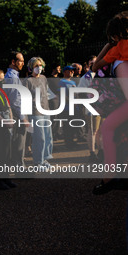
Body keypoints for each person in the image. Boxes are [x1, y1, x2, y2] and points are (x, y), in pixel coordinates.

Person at [91, 12, 128, 194]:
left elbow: (95, 66)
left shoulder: (118, 51)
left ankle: (109, 176)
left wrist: (108, 46)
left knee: (107, 127)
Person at [4, 51, 29, 186]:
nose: (23, 63)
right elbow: (15, 101)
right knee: (19, 142)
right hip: (17, 114)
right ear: (13, 62)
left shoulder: (12, 76)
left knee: (19, 142)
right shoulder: (12, 78)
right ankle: (20, 169)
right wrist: (23, 117)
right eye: (20, 60)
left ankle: (20, 167)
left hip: (16, 113)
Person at [23, 57, 53, 170]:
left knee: (48, 136)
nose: (39, 68)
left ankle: (44, 158)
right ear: (31, 67)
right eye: (36, 66)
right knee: (39, 138)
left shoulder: (44, 78)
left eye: (40, 65)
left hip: (46, 110)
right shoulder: (27, 81)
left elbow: (46, 93)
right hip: (35, 112)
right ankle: (38, 162)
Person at [77, 55, 105, 163]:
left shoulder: (101, 75)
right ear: (88, 65)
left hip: (102, 106)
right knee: (93, 130)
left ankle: (101, 151)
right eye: (91, 63)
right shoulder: (86, 77)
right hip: (91, 107)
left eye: (96, 61)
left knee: (100, 131)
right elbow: (80, 92)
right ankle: (92, 154)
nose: (94, 64)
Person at [48, 62, 63, 140]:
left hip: (60, 100)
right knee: (53, 117)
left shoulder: (59, 78)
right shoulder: (49, 79)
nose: (60, 69)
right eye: (58, 67)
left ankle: (57, 132)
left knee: (59, 117)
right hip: (53, 100)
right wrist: (53, 96)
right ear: (54, 69)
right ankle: (52, 134)